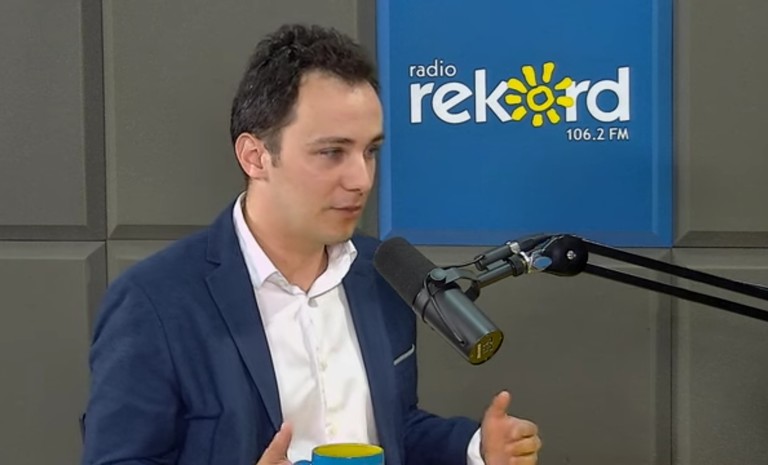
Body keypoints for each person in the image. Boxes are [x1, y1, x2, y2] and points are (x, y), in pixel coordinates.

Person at [81, 23, 542, 465]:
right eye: (332, 152)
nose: (361, 179)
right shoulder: (154, 301)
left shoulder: (382, 274)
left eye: (370, 151)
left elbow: (390, 427)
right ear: (255, 156)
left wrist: (475, 449)